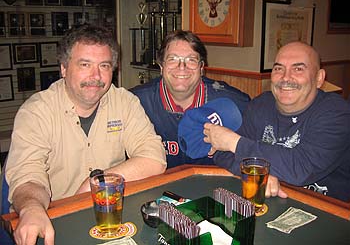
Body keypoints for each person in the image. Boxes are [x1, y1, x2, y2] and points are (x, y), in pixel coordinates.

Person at [5, 24, 166, 245]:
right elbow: (27, 174)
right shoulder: (36, 112)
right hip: (56, 219)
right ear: (63, 68)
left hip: (111, 217)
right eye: (85, 65)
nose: (96, 76)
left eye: (104, 65)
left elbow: (155, 159)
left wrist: (96, 183)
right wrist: (32, 208)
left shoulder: (125, 102)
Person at [204, 41, 350, 202]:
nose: (286, 78)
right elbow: (220, 152)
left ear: (319, 78)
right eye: (279, 68)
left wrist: (234, 143)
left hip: (328, 211)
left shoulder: (337, 113)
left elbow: (300, 167)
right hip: (273, 202)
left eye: (298, 69)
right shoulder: (261, 104)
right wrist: (256, 173)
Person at [130, 30, 250, 168]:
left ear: (201, 67)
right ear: (162, 67)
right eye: (173, 59)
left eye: (191, 60)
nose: (182, 67)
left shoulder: (235, 103)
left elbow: (253, 155)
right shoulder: (136, 102)